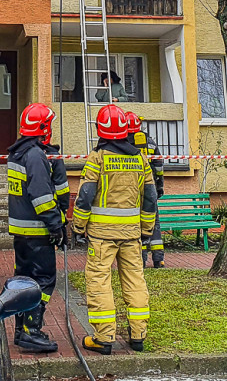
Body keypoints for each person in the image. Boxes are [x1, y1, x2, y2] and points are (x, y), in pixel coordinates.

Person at [73, 104, 158, 355]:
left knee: (99, 281)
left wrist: (78, 226)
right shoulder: (140, 159)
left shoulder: (97, 158)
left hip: (101, 236)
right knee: (135, 281)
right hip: (131, 235)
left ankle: (104, 337)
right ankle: (138, 335)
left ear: (100, 130)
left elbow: (85, 195)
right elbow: (150, 198)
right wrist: (146, 229)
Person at [7, 102, 67, 353]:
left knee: (24, 280)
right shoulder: (35, 155)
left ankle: (21, 330)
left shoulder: (18, 153)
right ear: (43, 128)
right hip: (37, 232)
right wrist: (57, 226)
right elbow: (41, 195)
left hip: (21, 232)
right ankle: (32, 330)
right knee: (42, 281)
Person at [126, 112, 165, 268]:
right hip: (151, 188)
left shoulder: (124, 145)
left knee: (138, 223)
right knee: (154, 223)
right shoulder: (150, 143)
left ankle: (141, 259)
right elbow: (159, 166)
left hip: (133, 189)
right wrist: (160, 185)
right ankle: (158, 259)